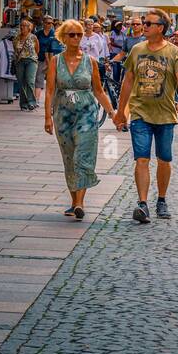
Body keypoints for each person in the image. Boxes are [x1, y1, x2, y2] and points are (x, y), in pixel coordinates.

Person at [114, 10, 178, 224]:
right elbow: (127, 82)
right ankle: (143, 204)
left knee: (164, 159)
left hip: (165, 114)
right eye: (143, 22)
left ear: (161, 28)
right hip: (140, 112)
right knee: (142, 158)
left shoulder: (174, 52)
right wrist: (121, 112)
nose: (143, 26)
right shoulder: (137, 50)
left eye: (148, 23)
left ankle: (162, 200)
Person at [44, 19, 117, 219]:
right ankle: (73, 200)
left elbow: (99, 91)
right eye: (72, 34)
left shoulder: (91, 61)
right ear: (63, 38)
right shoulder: (55, 61)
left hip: (87, 115)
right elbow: (50, 91)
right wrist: (47, 118)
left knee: (82, 156)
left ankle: (79, 203)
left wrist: (112, 113)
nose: (76, 38)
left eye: (79, 34)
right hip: (63, 116)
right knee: (69, 158)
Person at [12, 17, 39, 110]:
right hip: (20, 61)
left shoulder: (33, 37)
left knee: (30, 81)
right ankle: (23, 103)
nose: (22, 27)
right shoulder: (16, 38)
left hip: (31, 61)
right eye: (21, 25)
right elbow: (15, 50)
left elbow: (37, 50)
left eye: (25, 25)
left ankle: (31, 102)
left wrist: (32, 57)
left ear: (29, 27)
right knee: (21, 83)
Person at [35, 16, 62, 105]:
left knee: (53, 81)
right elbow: (35, 44)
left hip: (53, 61)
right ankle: (37, 100)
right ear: (43, 23)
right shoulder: (38, 33)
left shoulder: (54, 34)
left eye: (51, 23)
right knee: (39, 79)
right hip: (40, 59)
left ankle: (53, 101)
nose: (49, 25)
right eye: (47, 23)